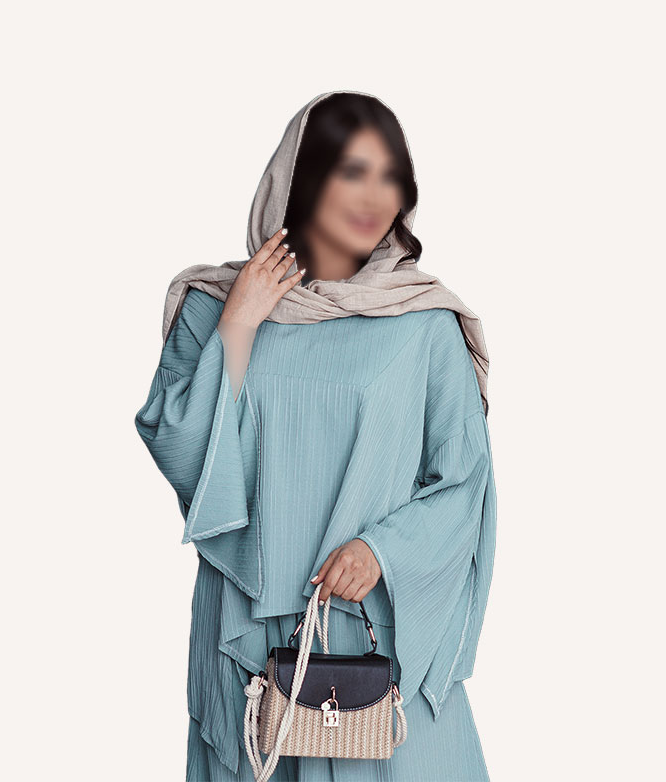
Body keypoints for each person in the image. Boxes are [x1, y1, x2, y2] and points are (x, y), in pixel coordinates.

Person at [135, 90, 497, 781]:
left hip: (369, 629)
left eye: (391, 176)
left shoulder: (424, 323)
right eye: (352, 171)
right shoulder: (213, 307)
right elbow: (184, 450)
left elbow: (463, 483)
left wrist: (383, 550)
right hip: (249, 637)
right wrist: (241, 321)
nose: (377, 196)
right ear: (302, 177)